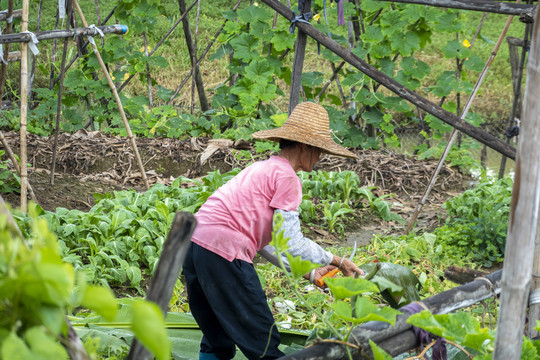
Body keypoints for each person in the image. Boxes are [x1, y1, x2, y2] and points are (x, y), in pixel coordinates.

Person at [183, 102, 364, 360]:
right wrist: (337, 260)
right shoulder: (288, 178)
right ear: (305, 147)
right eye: (319, 151)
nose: (321, 157)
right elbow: (292, 243)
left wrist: (311, 273)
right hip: (224, 253)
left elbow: (266, 242)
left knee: (217, 338)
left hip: (194, 247)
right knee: (264, 341)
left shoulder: (262, 169)